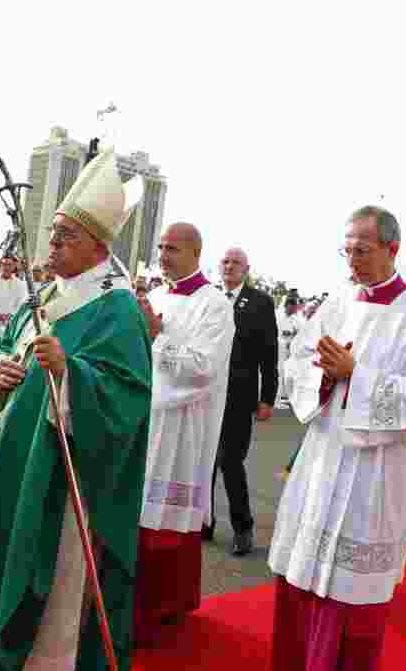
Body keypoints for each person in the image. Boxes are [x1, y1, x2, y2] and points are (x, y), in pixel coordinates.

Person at [0, 146, 152, 671]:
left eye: (66, 235)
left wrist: (70, 374)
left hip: (55, 478)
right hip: (4, 461)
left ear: (99, 246)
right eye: (52, 233)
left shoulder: (115, 308)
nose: (52, 244)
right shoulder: (45, 294)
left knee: (48, 602)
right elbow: (1, 348)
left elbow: (128, 397)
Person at [268, 205, 406, 671]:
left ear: (392, 249)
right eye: (346, 250)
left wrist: (356, 376)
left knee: (350, 591)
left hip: (376, 473)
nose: (351, 261)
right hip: (324, 454)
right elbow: (299, 362)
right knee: (303, 575)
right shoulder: (337, 303)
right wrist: (323, 379)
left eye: (362, 251)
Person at [132, 222, 235, 643]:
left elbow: (204, 367)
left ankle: (163, 608)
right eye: (160, 247)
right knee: (137, 514)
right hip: (143, 416)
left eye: (172, 248)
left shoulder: (215, 304)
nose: (163, 255)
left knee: (166, 519)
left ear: (195, 252)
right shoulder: (154, 296)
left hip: (181, 423)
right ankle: (129, 603)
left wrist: (155, 340)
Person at [206, 246, 278, 556]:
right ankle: (203, 522)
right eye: (225, 261)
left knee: (231, 463)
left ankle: (243, 528)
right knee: (204, 461)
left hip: (239, 395)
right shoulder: (208, 298)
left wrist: (267, 398)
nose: (230, 266)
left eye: (236, 262)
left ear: (246, 269)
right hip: (206, 392)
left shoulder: (260, 302)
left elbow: (269, 354)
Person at [275, 292, 305, 409]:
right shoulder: (277, 315)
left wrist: (293, 336)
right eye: (294, 307)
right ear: (288, 305)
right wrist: (284, 339)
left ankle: (282, 397)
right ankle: (275, 400)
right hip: (277, 349)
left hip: (289, 351)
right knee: (278, 373)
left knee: (287, 374)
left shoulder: (296, 319)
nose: (296, 309)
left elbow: (300, 333)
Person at [0, 255, 29, 331]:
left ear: (13, 267)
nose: (6, 268)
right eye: (4, 264)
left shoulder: (20, 284)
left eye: (9, 265)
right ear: (1, 266)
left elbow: (21, 304)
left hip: (10, 324)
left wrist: (11, 315)